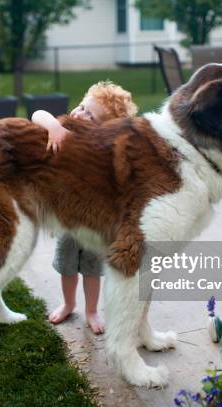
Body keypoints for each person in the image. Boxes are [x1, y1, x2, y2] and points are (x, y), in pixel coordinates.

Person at [31, 81, 138, 334]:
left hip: (94, 225)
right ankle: (69, 304)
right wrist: (54, 126)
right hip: (68, 221)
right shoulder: (63, 130)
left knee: (92, 271)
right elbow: (37, 115)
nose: (79, 114)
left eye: (90, 115)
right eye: (81, 106)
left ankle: (92, 310)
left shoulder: (105, 150)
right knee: (67, 266)